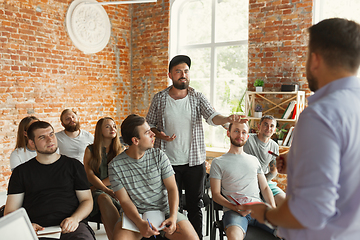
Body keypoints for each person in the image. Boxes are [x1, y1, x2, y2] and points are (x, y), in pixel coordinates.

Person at [240, 18, 360, 240]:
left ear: (315, 59)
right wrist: (297, 163)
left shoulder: (320, 115)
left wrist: (266, 213)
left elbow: (310, 213)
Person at [146, 55, 246, 238]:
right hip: (167, 163)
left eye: (186, 71)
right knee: (171, 206)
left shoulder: (197, 97)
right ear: (170, 75)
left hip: (194, 163)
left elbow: (212, 116)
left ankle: (196, 238)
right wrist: (161, 135)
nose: (183, 75)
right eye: (178, 71)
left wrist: (227, 119)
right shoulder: (159, 98)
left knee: (194, 205)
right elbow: (149, 124)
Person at [109, 114, 199, 240]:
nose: (153, 134)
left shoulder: (159, 155)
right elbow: (125, 201)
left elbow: (172, 188)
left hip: (166, 212)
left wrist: (173, 217)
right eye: (147, 132)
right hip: (135, 216)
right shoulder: (115, 166)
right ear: (135, 140)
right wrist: (140, 223)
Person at [4, 121, 95, 240]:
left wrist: (75, 219)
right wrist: (26, 225)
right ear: (32, 143)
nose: (50, 140)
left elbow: (87, 200)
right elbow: (10, 211)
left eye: (51, 134)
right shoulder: (21, 172)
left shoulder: (74, 166)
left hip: (72, 226)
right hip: (37, 230)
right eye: (42, 137)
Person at [210, 122, 276, 240]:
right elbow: (215, 195)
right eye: (236, 131)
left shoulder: (254, 160)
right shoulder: (218, 162)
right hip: (234, 212)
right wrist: (235, 208)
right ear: (228, 133)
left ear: (247, 136)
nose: (240, 135)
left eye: (244, 132)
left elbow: (265, 188)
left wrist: (273, 209)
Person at [83, 117, 123, 240]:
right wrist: (104, 189)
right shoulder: (90, 149)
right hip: (96, 191)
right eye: (107, 126)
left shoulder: (120, 150)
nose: (112, 129)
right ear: (100, 131)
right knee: (103, 197)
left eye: (114, 126)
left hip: (115, 188)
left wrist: (100, 187)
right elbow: (89, 175)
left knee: (108, 200)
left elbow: (117, 177)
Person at [243, 115, 286, 205]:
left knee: (285, 202)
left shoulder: (274, 146)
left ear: (274, 130)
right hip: (246, 183)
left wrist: (262, 184)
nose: (268, 128)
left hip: (266, 182)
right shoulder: (247, 139)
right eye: (265, 124)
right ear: (259, 127)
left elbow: (273, 171)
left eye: (272, 126)